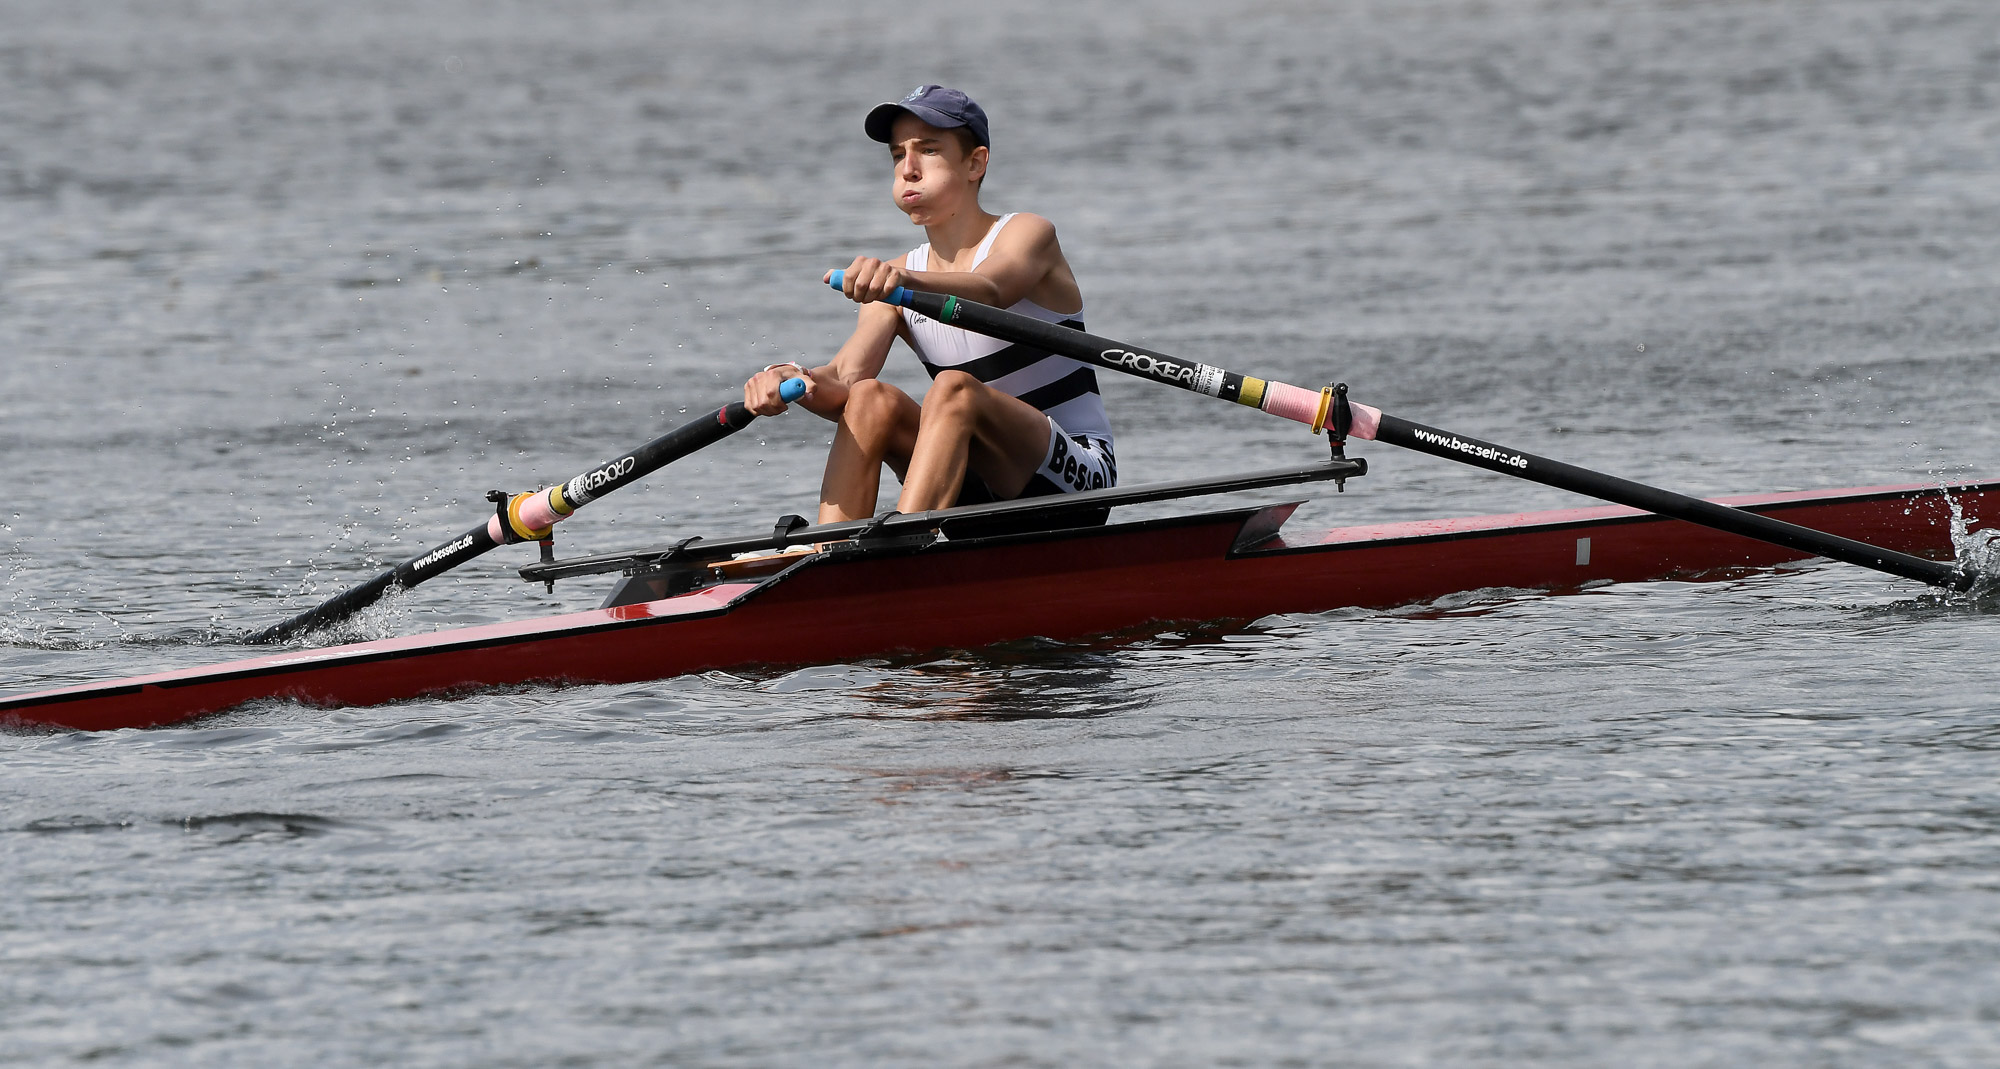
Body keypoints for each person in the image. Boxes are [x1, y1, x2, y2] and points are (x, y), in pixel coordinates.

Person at [741, 85, 1116, 524]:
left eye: (929, 150)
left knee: (954, 389)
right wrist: (788, 376)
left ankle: (904, 544)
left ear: (975, 162)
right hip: (966, 482)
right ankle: (827, 552)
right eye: (898, 154)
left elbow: (990, 287)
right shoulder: (896, 279)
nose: (909, 170)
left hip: (1073, 483)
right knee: (868, 397)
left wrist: (902, 282)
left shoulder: (1028, 234)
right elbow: (845, 378)